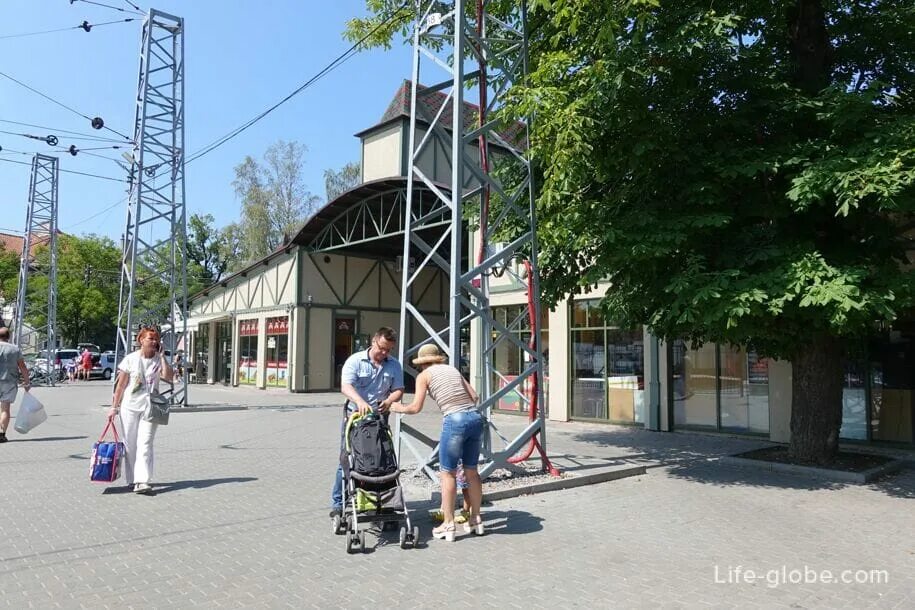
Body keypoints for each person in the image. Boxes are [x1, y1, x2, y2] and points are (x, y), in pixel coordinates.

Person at [390, 343, 484, 542]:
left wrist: (398, 408)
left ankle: (448, 524)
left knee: (447, 473)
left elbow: (416, 407)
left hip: (454, 420)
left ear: (421, 363)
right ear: (438, 358)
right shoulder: (452, 369)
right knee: (472, 471)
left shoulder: (424, 376)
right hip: (475, 418)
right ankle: (476, 519)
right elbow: (474, 395)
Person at [329, 326, 404, 518]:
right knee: (347, 460)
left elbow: (399, 389)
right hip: (355, 418)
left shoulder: (394, 365)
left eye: (389, 350)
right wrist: (360, 401)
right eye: (382, 348)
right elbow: (346, 386)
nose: (384, 353)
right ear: (373, 341)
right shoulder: (355, 361)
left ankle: (383, 500)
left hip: (379, 420)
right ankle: (338, 502)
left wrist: (389, 401)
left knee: (382, 460)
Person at [108, 326, 173, 494]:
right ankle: (132, 480)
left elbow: (168, 377)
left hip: (151, 407)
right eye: (150, 338)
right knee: (130, 444)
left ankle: (142, 480)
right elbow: (121, 385)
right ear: (141, 340)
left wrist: (163, 357)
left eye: (156, 339)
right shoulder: (130, 359)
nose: (154, 341)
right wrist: (114, 407)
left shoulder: (159, 360)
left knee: (145, 443)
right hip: (129, 406)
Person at [0, 327, 31, 443]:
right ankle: (1, 434)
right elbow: (22, 366)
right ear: (8, 337)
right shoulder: (15, 349)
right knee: (5, 409)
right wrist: (27, 382)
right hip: (9, 382)